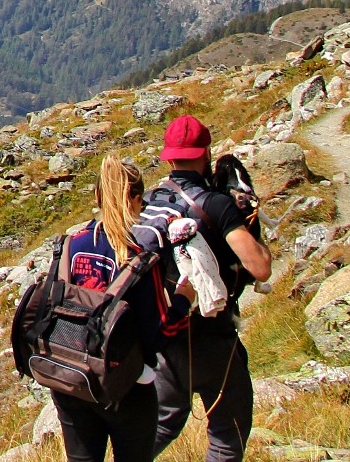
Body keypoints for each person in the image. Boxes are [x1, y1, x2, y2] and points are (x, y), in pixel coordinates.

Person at [149, 115, 271, 461]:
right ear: (206, 153)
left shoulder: (151, 201)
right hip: (215, 337)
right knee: (227, 435)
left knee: (155, 431)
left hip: (165, 339)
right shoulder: (218, 204)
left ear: (169, 157)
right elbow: (259, 268)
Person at [50, 155, 177, 462]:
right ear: (136, 201)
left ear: (97, 197)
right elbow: (158, 334)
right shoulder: (139, 257)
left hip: (72, 380)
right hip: (124, 388)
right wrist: (184, 299)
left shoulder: (71, 245)